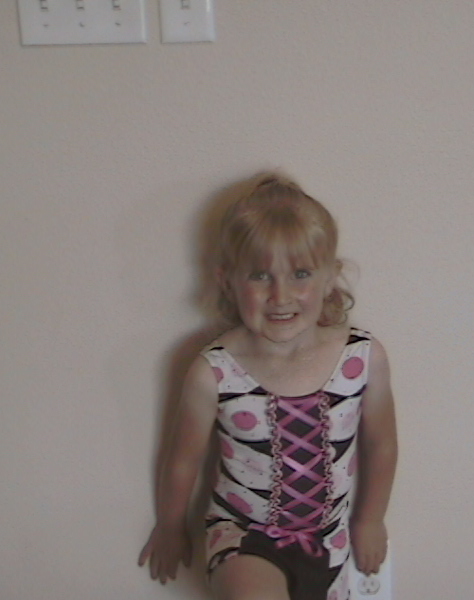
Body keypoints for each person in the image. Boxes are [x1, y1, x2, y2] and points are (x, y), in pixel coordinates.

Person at [139, 173, 398, 600]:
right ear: (228, 280)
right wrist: (170, 525)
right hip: (244, 534)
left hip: (328, 540)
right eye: (260, 276)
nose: (281, 295)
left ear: (330, 277)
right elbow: (183, 459)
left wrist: (371, 520)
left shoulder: (363, 359)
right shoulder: (214, 371)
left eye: (300, 274)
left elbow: (382, 444)